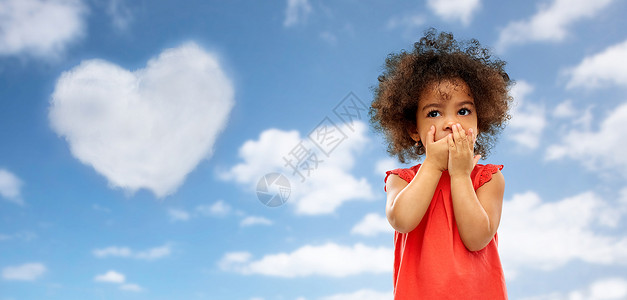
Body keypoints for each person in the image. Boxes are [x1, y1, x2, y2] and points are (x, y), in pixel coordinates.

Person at [369, 29, 513, 299]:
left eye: (464, 111)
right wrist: (433, 166)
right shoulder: (400, 179)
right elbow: (402, 220)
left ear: (479, 124)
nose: (451, 122)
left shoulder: (489, 179)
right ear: (414, 129)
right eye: (434, 112)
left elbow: (477, 238)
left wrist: (460, 176)